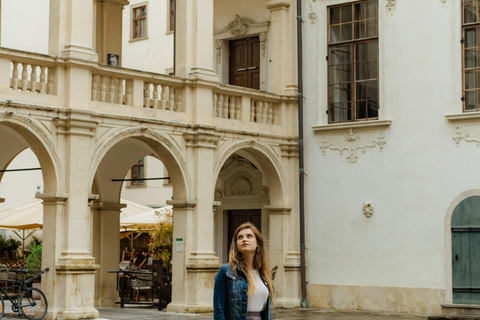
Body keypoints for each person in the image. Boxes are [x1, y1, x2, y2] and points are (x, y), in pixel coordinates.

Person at [214, 222, 274, 320]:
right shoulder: (226, 271)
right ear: (236, 244)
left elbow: (267, 312)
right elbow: (219, 311)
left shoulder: (263, 273)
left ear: (258, 243)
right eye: (240, 237)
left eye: (249, 236)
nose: (244, 239)